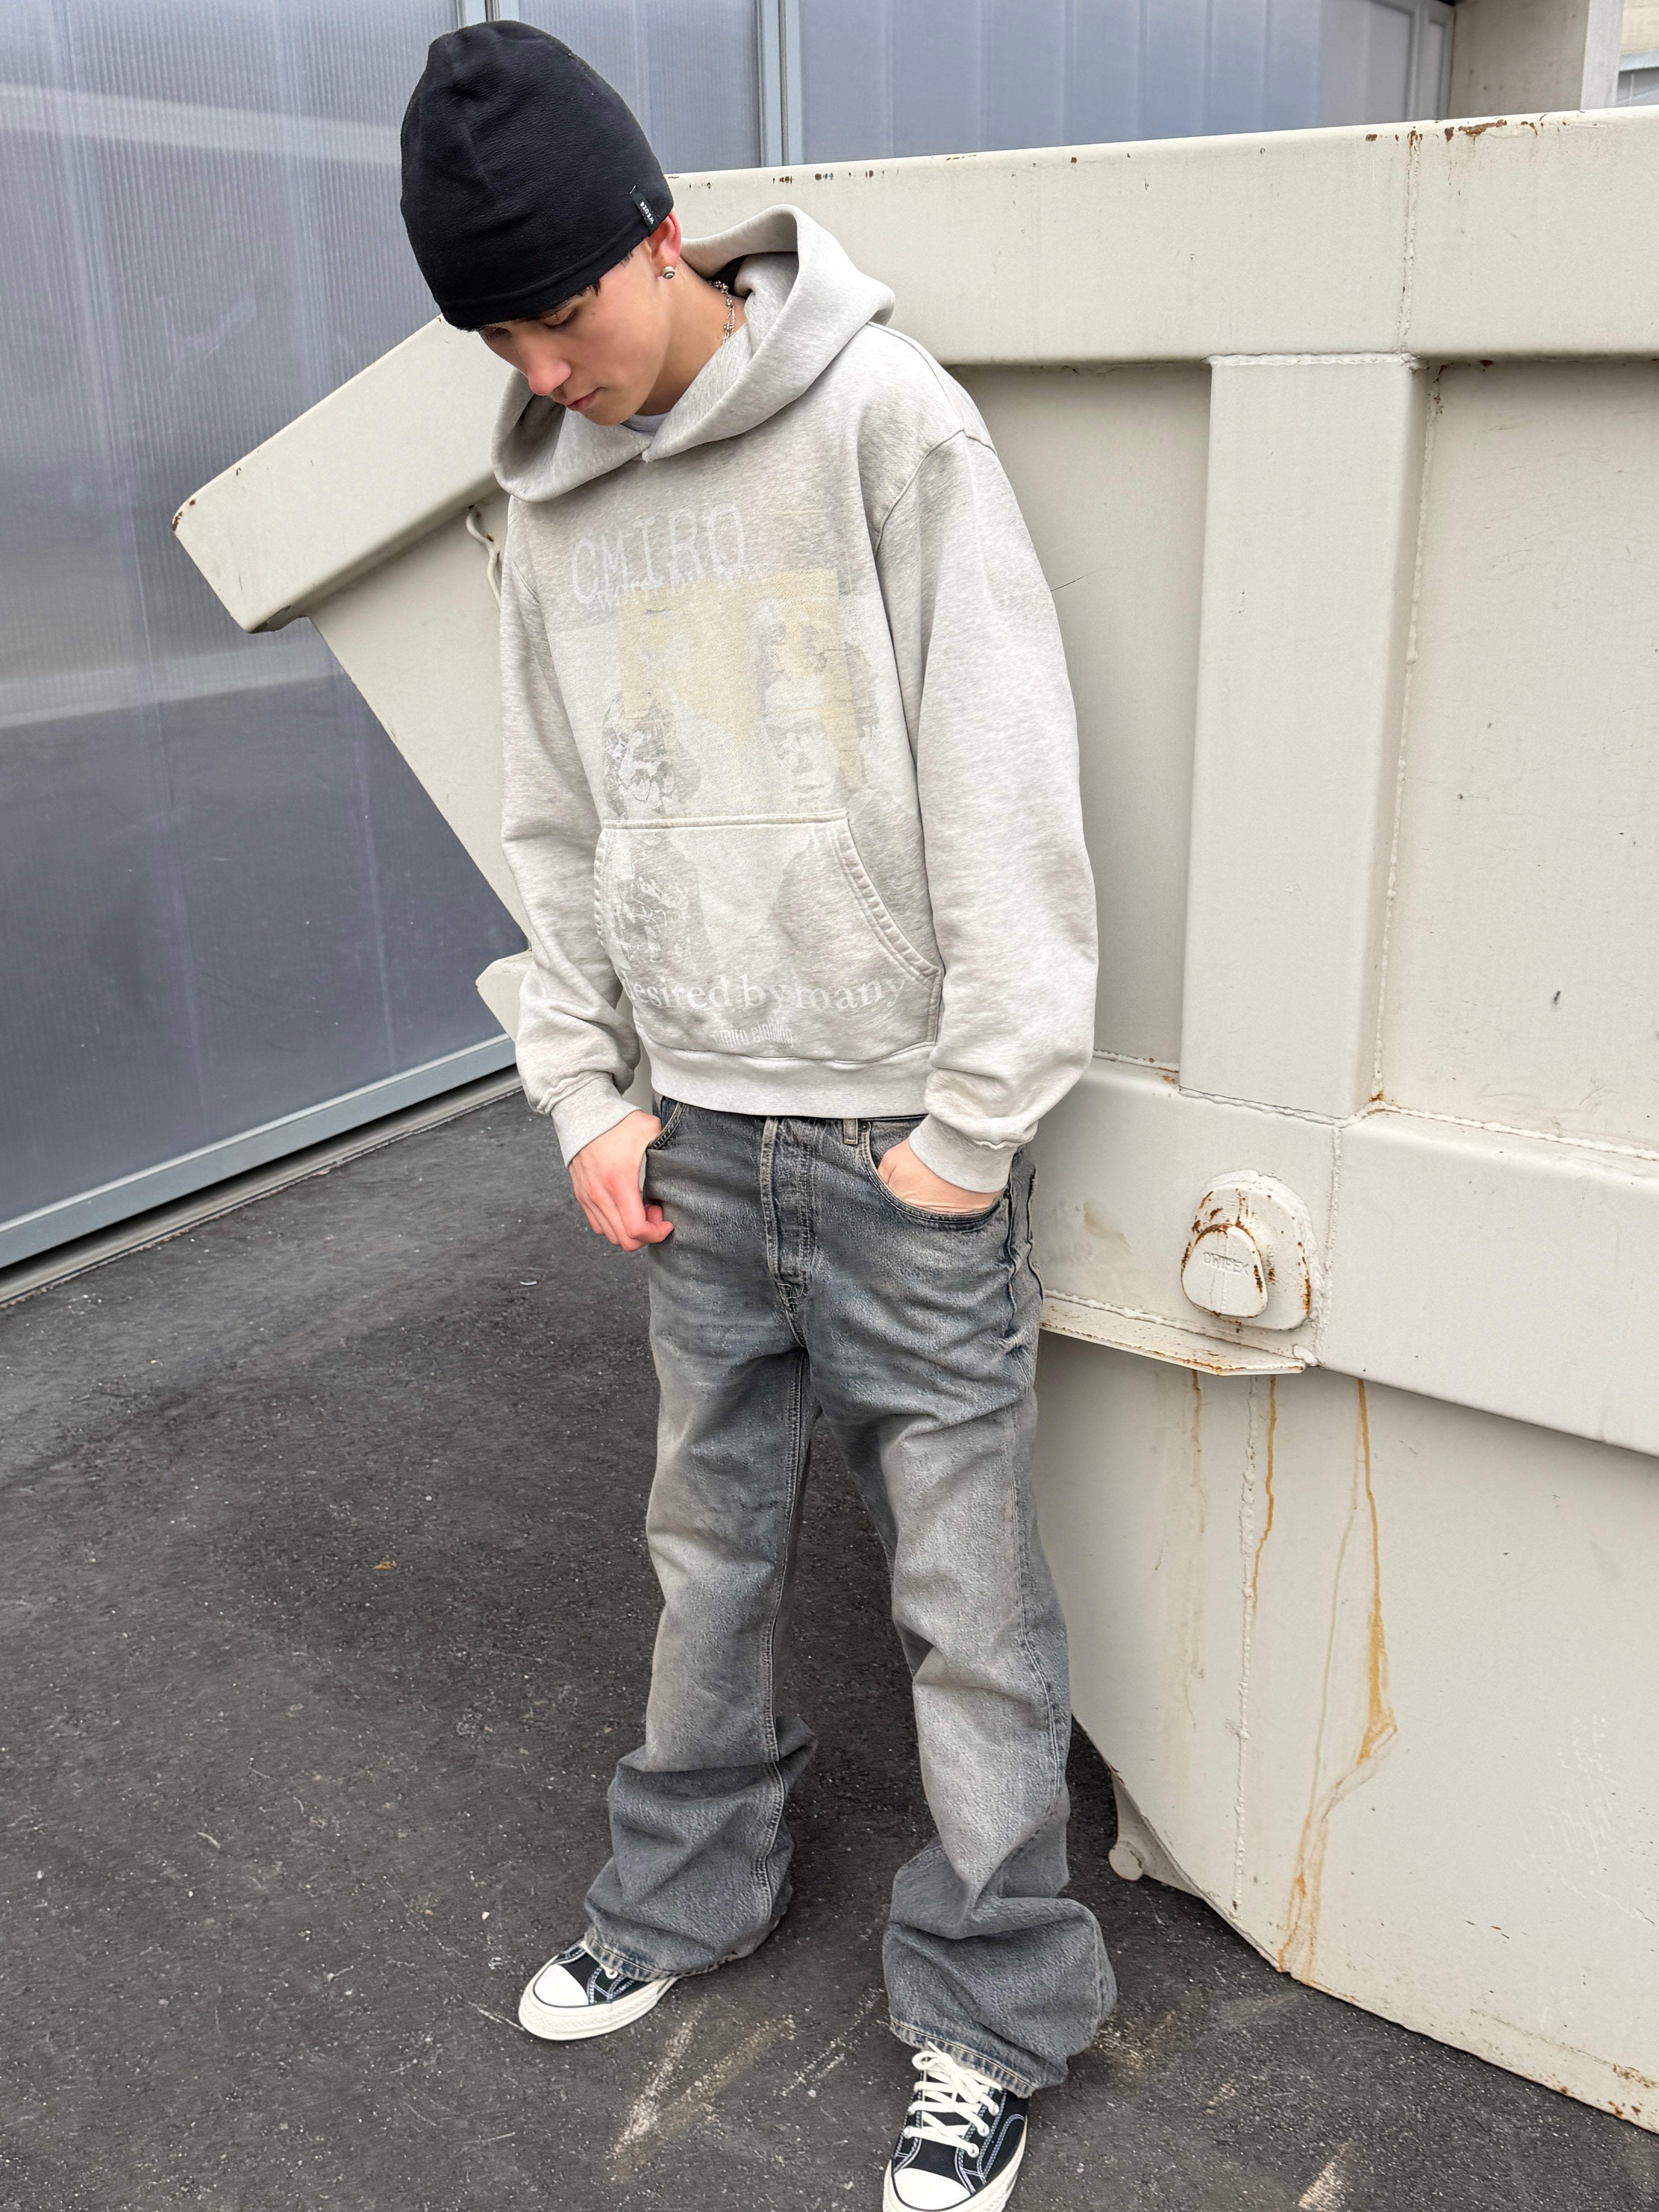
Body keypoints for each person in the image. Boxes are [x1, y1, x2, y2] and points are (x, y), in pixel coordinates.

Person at [400, 23, 1112, 2209]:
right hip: (690, 1140)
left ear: (660, 234)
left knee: (969, 1605)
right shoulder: (546, 496)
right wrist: (583, 1094)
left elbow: (1003, 770)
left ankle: (992, 2010)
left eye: (562, 311)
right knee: (703, 1553)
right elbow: (555, 824)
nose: (547, 367)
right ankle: (687, 1889)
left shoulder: (888, 420)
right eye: (499, 340)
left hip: (899, 1138)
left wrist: (972, 1125)